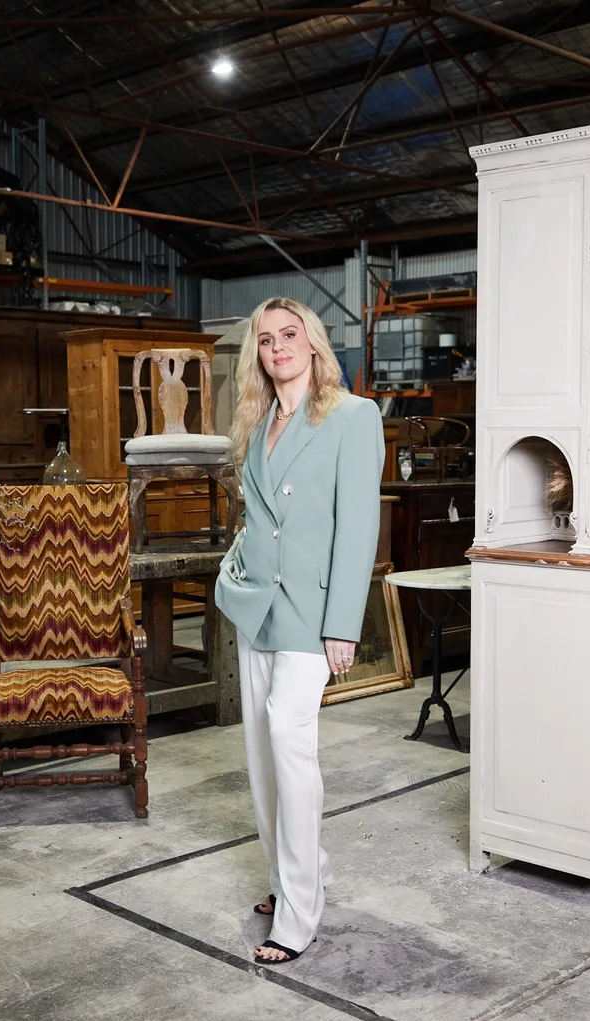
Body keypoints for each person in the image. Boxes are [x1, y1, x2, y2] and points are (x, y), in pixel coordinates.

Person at [215, 296, 385, 965]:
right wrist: (233, 571)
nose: (278, 346)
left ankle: (298, 913)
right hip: (256, 605)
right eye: (266, 339)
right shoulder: (259, 424)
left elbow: (357, 529)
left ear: (313, 344)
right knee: (261, 751)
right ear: (257, 354)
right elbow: (257, 520)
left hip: (312, 613)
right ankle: (288, 874)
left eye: (290, 335)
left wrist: (343, 624)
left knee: (289, 737)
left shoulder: (352, 416)